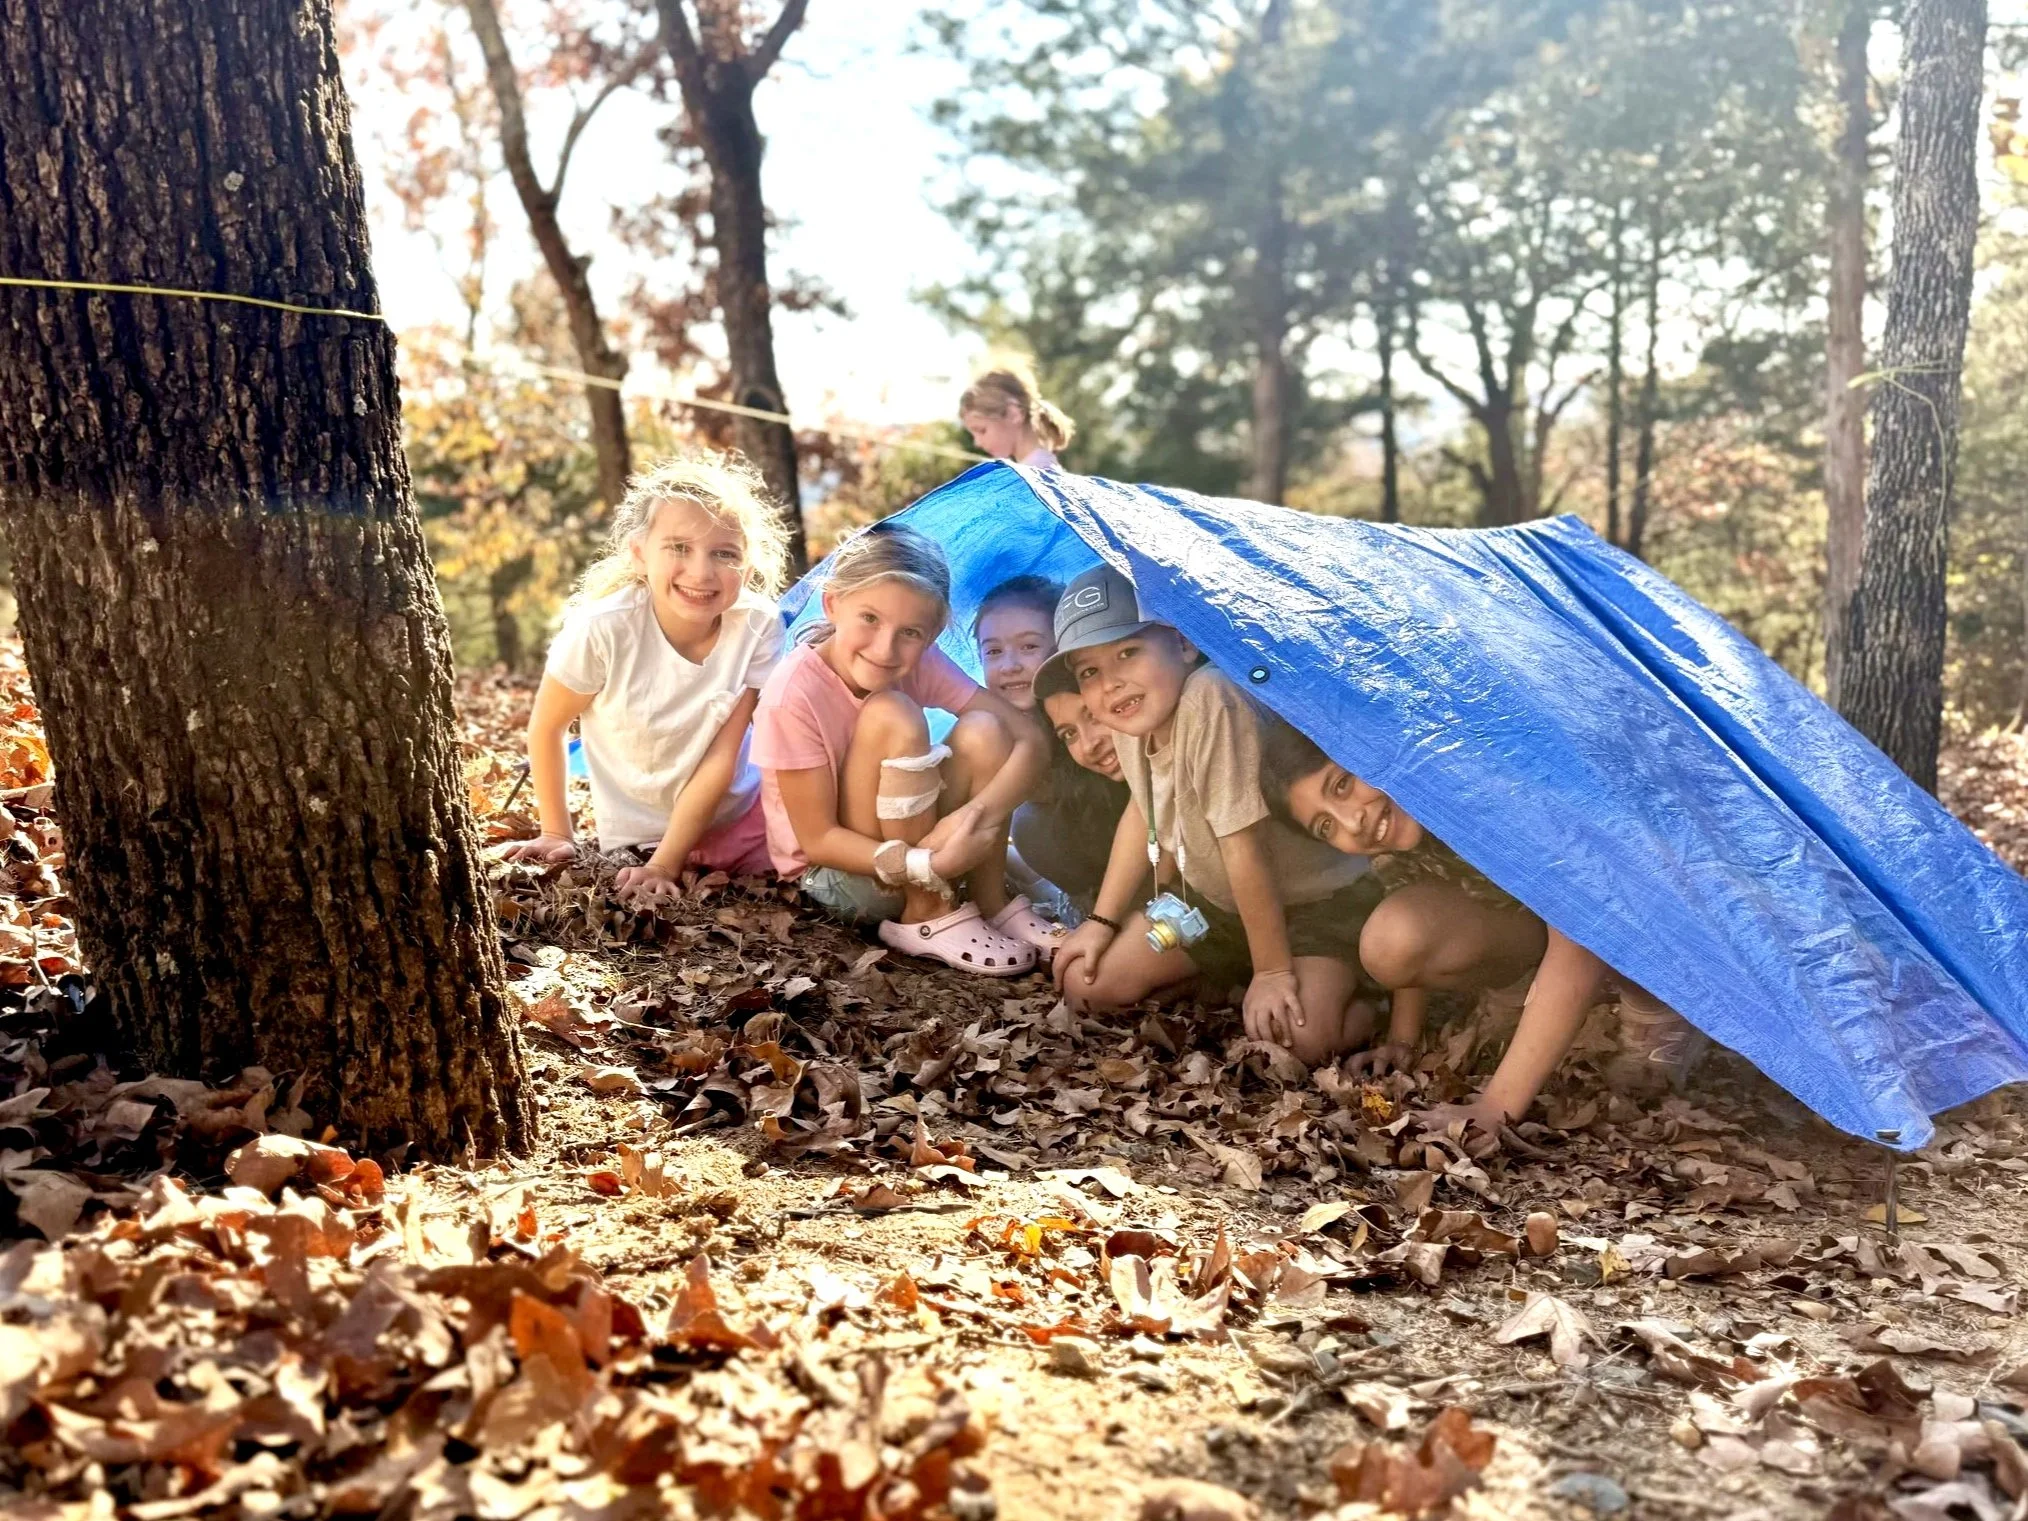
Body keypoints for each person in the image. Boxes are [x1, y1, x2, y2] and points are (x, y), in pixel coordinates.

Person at [1256, 717, 1707, 1132]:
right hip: (1538, 923)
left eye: (1342, 784)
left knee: (1614, 925)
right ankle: (1527, 989)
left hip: (1651, 911)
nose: (1352, 822)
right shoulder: (1396, 830)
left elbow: (1580, 942)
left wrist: (1496, 1108)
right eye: (1325, 827)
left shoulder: (1484, 778)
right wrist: (1403, 1040)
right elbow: (1410, 894)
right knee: (1392, 940)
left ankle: (1655, 1006)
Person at [1046, 566, 1383, 1063]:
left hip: (1315, 902)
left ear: (1183, 643)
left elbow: (1243, 844)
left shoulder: (1212, 696)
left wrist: (1273, 971)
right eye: (1089, 672)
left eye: (1127, 652)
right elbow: (1142, 810)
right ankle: (1231, 978)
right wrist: (1100, 920)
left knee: (1296, 1041)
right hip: (1219, 906)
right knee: (1087, 985)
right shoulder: (1128, 715)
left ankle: (1369, 1004)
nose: (1111, 684)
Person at [751, 522, 1054, 976]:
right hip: (840, 876)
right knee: (891, 711)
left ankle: (991, 901)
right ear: (833, 604)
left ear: (932, 634)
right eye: (869, 618)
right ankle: (927, 910)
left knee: (986, 729)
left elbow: (1030, 739)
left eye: (910, 632)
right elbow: (818, 840)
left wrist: (971, 816)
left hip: (918, 851)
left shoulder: (917, 660)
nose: (886, 648)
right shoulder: (791, 694)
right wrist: (924, 864)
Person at [504, 454, 790, 898]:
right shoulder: (603, 630)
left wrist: (667, 865)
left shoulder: (758, 625)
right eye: (679, 547)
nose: (701, 571)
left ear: (748, 569)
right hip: (642, 840)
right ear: (639, 555)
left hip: (742, 820)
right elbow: (548, 725)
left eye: (724, 553)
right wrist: (556, 832)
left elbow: (723, 757)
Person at [971, 574, 1131, 917]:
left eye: (1029, 646)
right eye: (993, 652)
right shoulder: (996, 730)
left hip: (1148, 841)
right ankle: (1082, 901)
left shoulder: (1107, 694)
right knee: (1027, 824)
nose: (1010, 666)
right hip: (1090, 859)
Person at [959, 362, 1075, 470]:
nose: (977, 443)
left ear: (1014, 414)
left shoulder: (1027, 479)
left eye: (982, 430)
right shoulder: (1048, 471)